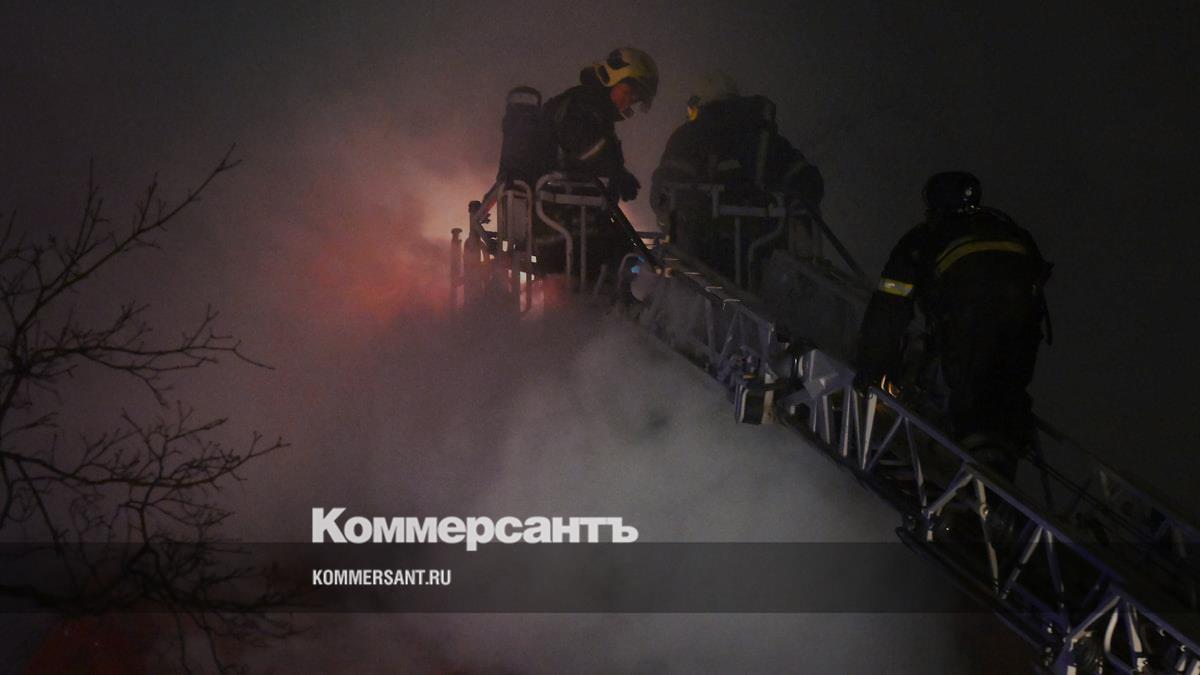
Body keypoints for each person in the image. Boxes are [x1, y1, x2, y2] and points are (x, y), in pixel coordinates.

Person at [854, 171, 1052, 478]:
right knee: (1002, 404)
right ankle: (995, 476)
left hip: (966, 334)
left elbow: (887, 311)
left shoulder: (924, 239)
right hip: (1023, 333)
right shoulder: (1010, 231)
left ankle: (965, 479)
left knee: (956, 400)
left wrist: (872, 369)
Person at [649, 71, 823, 282]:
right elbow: (808, 181)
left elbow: (663, 191)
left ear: (698, 104)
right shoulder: (764, 137)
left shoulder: (688, 136)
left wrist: (680, 214)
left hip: (703, 253)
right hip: (766, 252)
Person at [542, 47, 658, 202]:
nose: (629, 101)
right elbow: (582, 148)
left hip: (575, 203)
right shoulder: (582, 104)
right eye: (628, 92)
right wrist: (617, 173)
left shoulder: (599, 113)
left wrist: (618, 172)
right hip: (561, 201)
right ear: (613, 78)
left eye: (635, 99)